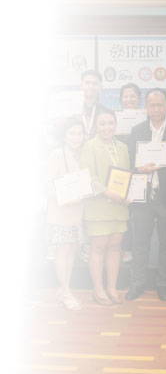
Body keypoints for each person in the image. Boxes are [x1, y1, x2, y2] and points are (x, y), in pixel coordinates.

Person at [125, 89, 166, 302]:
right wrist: (139, 169)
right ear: (146, 107)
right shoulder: (137, 130)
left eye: (160, 105)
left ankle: (163, 284)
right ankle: (137, 283)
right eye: (152, 105)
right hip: (143, 196)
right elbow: (129, 163)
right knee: (140, 243)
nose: (156, 109)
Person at [81, 107, 130, 306]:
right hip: (98, 206)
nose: (107, 127)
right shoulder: (89, 146)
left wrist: (128, 194)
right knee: (98, 248)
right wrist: (107, 193)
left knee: (115, 248)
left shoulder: (123, 147)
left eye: (110, 123)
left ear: (116, 125)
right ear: (95, 126)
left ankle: (112, 287)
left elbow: (127, 175)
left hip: (119, 208)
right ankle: (98, 289)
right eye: (102, 123)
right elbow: (88, 177)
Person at [45, 118, 87, 310]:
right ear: (64, 135)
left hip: (77, 212)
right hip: (61, 212)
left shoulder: (80, 154)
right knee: (62, 252)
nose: (76, 137)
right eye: (72, 133)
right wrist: (67, 199)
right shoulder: (57, 154)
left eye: (80, 133)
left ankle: (64, 289)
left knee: (71, 251)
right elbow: (47, 186)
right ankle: (66, 292)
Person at [117, 82, 142, 263]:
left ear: (139, 99)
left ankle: (139, 249)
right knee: (123, 212)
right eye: (126, 96)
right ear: (121, 99)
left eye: (133, 96)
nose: (129, 99)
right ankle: (126, 249)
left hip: (140, 171)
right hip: (121, 170)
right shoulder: (115, 119)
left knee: (138, 214)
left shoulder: (146, 118)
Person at [80, 70, 107, 139]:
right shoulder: (71, 109)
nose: (91, 86)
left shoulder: (105, 111)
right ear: (81, 86)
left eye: (95, 83)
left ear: (100, 87)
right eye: (87, 83)